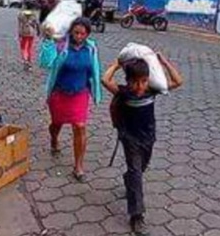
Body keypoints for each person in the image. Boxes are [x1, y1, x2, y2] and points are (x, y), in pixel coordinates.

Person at [102, 53, 184, 236]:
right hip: (130, 139)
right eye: (135, 82)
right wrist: (116, 64)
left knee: (141, 168)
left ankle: (128, 181)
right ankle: (136, 216)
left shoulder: (152, 91)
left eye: (144, 81)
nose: (139, 86)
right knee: (136, 173)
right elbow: (104, 80)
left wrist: (164, 62)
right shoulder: (124, 92)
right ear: (128, 80)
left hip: (148, 138)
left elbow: (178, 82)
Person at [39, 17, 102, 181]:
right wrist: (47, 41)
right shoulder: (61, 45)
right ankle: (54, 139)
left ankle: (78, 166)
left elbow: (94, 70)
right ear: (70, 32)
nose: (79, 36)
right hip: (59, 93)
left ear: (88, 34)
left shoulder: (91, 48)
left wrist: (96, 90)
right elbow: (45, 63)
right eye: (76, 33)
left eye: (83, 33)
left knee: (80, 126)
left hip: (80, 93)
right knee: (56, 124)